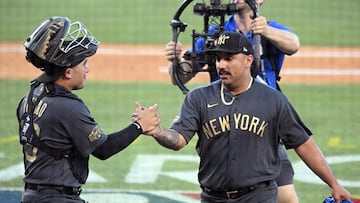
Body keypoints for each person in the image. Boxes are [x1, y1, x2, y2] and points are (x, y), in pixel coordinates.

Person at [139, 32, 352, 202]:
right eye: (218, 58)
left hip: (258, 197)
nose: (221, 65)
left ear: (249, 59)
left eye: (229, 58)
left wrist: (333, 184)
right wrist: (157, 131)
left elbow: (303, 144)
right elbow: (179, 140)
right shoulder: (198, 98)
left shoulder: (273, 100)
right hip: (213, 197)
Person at [165, 0, 301, 202]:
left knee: (287, 197)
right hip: (224, 118)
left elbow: (293, 45)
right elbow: (181, 77)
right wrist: (175, 60)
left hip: (263, 121)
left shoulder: (270, 28)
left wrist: (265, 31)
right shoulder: (215, 32)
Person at [16, 16, 159, 203]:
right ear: (68, 72)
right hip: (57, 198)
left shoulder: (28, 98)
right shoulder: (68, 108)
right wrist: (140, 126)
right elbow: (103, 149)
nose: (87, 70)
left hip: (31, 196)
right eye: (84, 64)